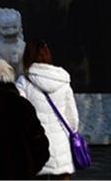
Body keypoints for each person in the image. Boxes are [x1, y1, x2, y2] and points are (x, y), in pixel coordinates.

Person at [15, 40, 79, 178]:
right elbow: (72, 117)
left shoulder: (23, 82)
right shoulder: (63, 80)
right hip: (61, 145)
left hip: (36, 145)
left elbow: (20, 116)